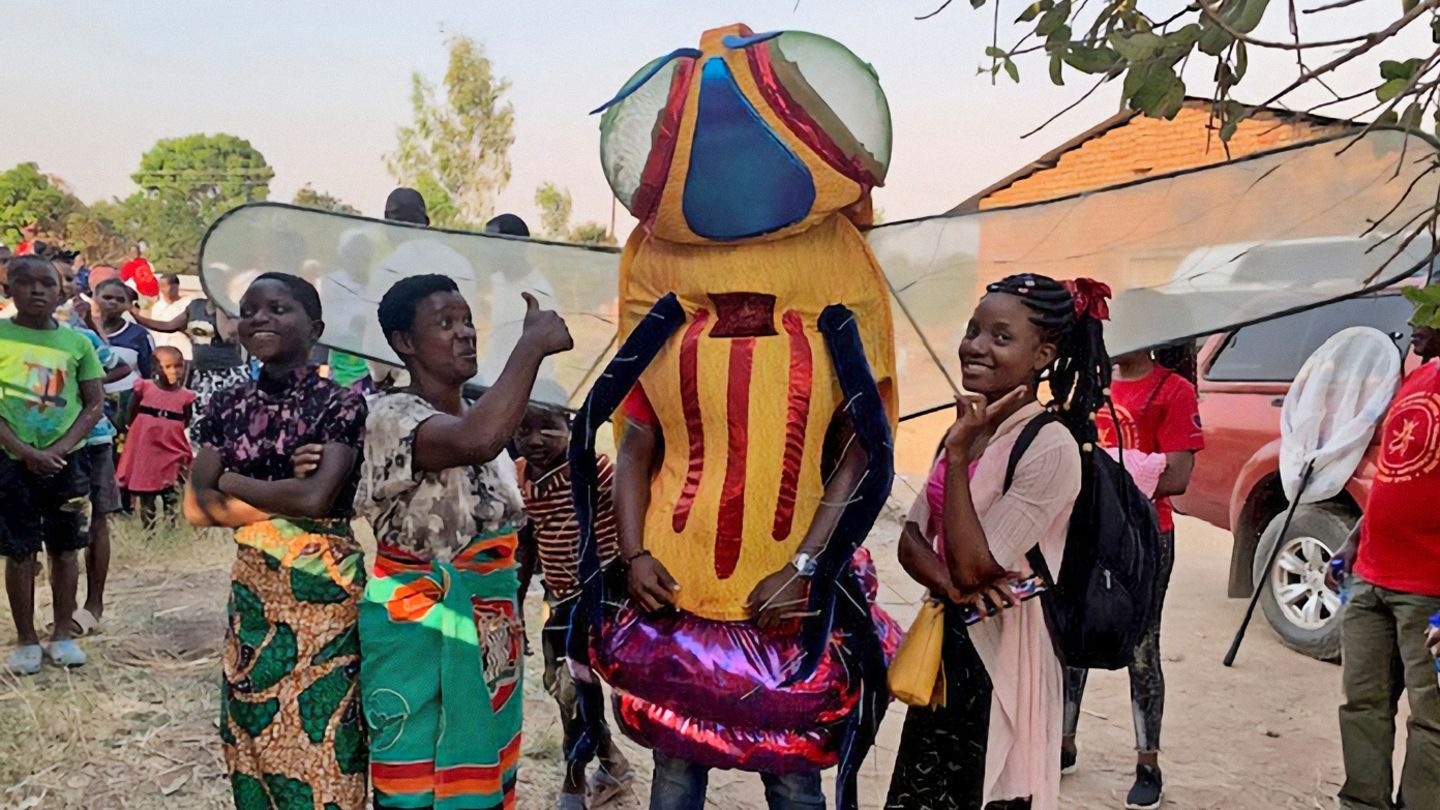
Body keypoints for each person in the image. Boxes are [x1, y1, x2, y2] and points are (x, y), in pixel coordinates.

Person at [886, 274, 1111, 810]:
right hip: (946, 647)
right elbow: (912, 540)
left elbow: (974, 566)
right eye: (973, 330)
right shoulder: (966, 430)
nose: (976, 346)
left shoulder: (1048, 447)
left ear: (1042, 355)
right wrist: (952, 588)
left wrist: (958, 458)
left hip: (1002, 657)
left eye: (1001, 337)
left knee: (985, 790)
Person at [353, 273, 571, 810]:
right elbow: (477, 441)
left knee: (486, 762)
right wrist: (531, 347)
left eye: (468, 320)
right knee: (414, 771)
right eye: (445, 323)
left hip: (491, 627)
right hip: (420, 625)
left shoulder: (479, 414)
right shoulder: (392, 415)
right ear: (405, 342)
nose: (465, 333)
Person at [183, 272, 368, 810]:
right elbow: (196, 507)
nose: (259, 318)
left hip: (324, 591)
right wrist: (288, 489)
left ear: (316, 329)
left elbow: (316, 499)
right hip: (255, 591)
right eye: (249, 310)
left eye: (278, 309)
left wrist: (232, 481)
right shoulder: (227, 405)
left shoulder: (340, 404)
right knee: (251, 726)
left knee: (324, 733)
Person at [1062, 347, 1203, 809]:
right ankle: (1063, 742)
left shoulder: (1173, 390)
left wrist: (1104, 484)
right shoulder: (1086, 383)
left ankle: (1147, 763)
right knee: (1073, 631)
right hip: (1087, 527)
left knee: (1142, 644)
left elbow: (1177, 475)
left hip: (1145, 534)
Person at [1329, 283, 1440, 810]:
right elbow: (1393, 476)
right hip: (1370, 579)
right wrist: (1353, 543)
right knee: (1362, 705)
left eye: (1425, 314)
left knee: (1433, 719)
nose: (1412, 325)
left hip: (1430, 594)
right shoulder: (1417, 378)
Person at [515, 404, 632, 809]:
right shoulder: (520, 477)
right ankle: (612, 763)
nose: (535, 440)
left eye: (547, 428)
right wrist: (516, 607)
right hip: (558, 597)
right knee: (561, 686)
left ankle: (574, 779)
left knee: (578, 685)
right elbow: (526, 544)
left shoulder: (594, 470)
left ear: (569, 425)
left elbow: (630, 516)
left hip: (602, 593)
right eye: (523, 430)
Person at [0, 255, 105, 674]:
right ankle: (26, 639)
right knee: (19, 551)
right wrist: (25, 451)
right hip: (12, 461)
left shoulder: (77, 343)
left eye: (47, 283)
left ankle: (62, 634)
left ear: (61, 291)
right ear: (8, 288)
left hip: (67, 462)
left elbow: (94, 404)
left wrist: (59, 448)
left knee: (65, 549)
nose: (37, 290)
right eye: (26, 282)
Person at [131, 294, 249, 442]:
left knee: (228, 418)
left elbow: (226, 334)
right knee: (199, 418)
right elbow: (169, 326)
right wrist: (137, 316)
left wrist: (220, 304)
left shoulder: (231, 308)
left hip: (227, 373)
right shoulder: (195, 305)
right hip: (201, 373)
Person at [118, 346, 196, 529]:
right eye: (167, 367)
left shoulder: (185, 396)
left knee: (171, 489)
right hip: (146, 449)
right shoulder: (144, 388)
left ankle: (172, 527)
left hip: (171, 448)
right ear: (155, 369)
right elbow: (132, 412)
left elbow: (186, 419)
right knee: (147, 491)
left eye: (178, 366)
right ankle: (148, 530)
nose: (173, 371)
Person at [93, 278, 155, 410]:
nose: (113, 302)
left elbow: (149, 375)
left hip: (127, 406)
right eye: (107, 297)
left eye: (120, 300)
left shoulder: (139, 335)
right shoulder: (81, 329)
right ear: (95, 298)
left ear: (127, 305)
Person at [149, 273, 194, 359]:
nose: (162, 290)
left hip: (184, 351)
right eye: (160, 287)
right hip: (163, 351)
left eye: (165, 286)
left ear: (176, 286)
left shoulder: (188, 304)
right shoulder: (158, 307)